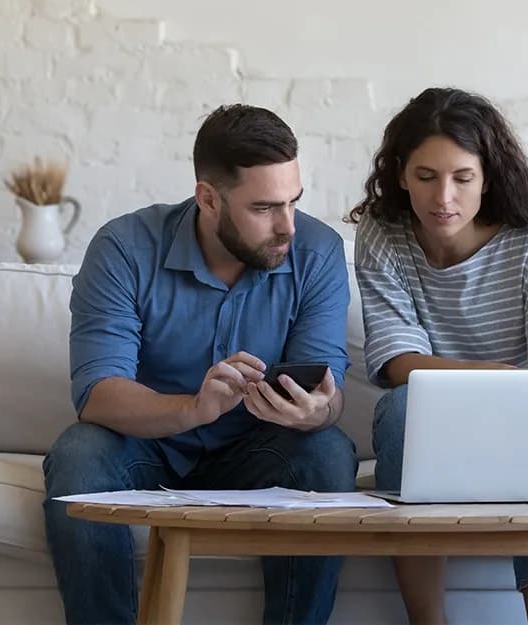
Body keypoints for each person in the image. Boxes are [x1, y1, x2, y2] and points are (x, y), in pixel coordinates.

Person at [44, 104, 358, 625]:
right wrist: (194, 407)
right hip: (150, 447)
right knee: (78, 453)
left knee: (327, 449)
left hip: (259, 448)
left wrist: (316, 412)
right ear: (208, 199)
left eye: (293, 202)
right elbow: (97, 394)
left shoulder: (318, 252)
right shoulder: (124, 248)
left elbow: (331, 391)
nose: (288, 227)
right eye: (264, 208)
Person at [347, 87, 528, 625]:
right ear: (398, 173)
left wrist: (504, 390)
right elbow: (396, 362)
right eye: (426, 177)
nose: (444, 197)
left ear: (487, 177)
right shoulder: (383, 235)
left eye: (463, 178)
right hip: (432, 432)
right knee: (397, 409)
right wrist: (502, 374)